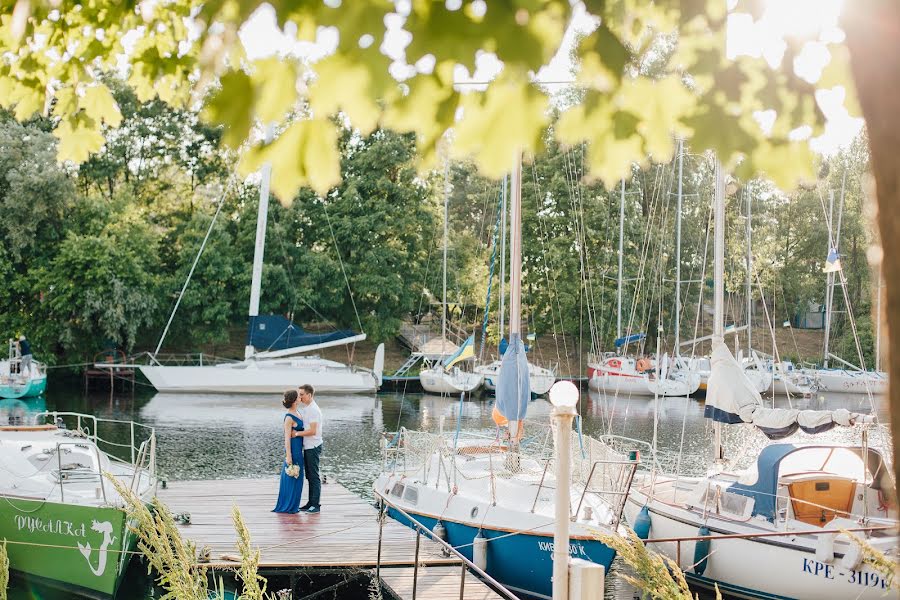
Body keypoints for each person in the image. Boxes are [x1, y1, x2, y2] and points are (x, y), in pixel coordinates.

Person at [272, 389, 305, 514]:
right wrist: (288, 456)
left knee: (299, 478)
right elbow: (286, 438)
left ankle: (294, 504)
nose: (300, 397)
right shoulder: (289, 417)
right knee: (292, 477)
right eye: (298, 396)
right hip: (293, 450)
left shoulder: (298, 412)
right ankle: (288, 506)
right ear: (294, 400)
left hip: (300, 450)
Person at [295, 384, 323, 513]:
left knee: (314, 476)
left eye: (302, 394)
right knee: (309, 476)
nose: (299, 397)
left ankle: (315, 505)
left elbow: (312, 431)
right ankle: (310, 503)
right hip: (308, 446)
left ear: (309, 395)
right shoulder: (308, 408)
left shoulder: (313, 410)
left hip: (313, 446)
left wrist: (296, 434)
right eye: (299, 394)